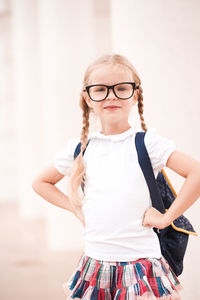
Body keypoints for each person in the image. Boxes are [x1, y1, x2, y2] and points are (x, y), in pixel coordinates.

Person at [32, 53, 200, 300]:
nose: (111, 95)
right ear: (88, 98)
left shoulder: (147, 143)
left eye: (121, 88)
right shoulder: (81, 148)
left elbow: (195, 172)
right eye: (100, 89)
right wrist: (75, 209)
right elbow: (40, 182)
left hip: (141, 264)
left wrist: (166, 218)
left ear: (135, 95)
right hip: (95, 263)